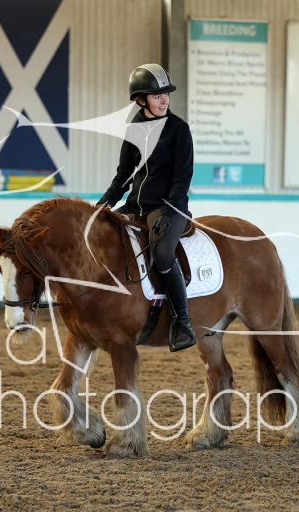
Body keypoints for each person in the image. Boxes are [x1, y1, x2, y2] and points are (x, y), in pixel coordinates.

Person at [96, 63, 196, 351]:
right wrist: (103, 205)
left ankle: (183, 321)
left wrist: (170, 211)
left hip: (168, 206)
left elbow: (182, 178)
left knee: (162, 252)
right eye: (157, 96)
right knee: (100, 235)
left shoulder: (179, 130)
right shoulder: (133, 129)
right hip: (135, 205)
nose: (164, 100)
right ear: (141, 100)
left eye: (166, 95)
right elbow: (123, 176)